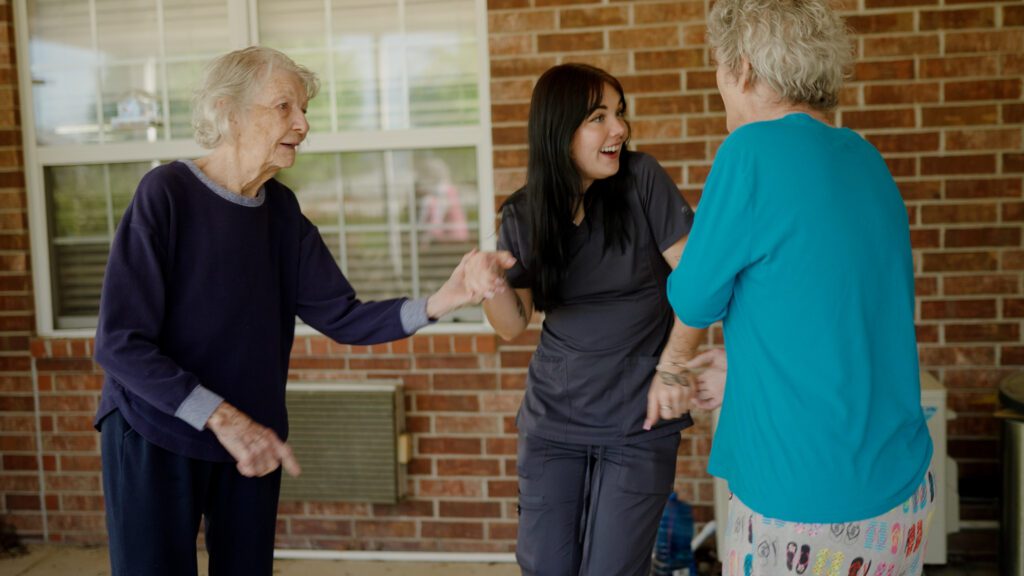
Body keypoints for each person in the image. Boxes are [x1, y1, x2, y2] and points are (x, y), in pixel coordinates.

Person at [92, 46, 496, 576]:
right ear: (228, 111)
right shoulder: (166, 194)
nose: (303, 124)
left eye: (304, 110)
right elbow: (118, 342)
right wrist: (221, 417)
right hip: (154, 426)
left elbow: (343, 316)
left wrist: (446, 298)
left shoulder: (282, 212)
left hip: (250, 437)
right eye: (284, 107)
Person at [667, 1, 934, 575]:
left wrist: (671, 366)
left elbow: (692, 297)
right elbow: (831, 314)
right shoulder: (865, 160)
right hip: (900, 489)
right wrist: (744, 361)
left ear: (741, 67)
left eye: (717, 67)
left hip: (804, 504)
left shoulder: (750, 153)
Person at [463, 63, 707, 576]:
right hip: (553, 421)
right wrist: (489, 282)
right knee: (544, 567)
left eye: (619, 114)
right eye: (599, 117)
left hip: (638, 422)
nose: (618, 128)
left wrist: (674, 367)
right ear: (560, 129)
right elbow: (512, 324)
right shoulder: (526, 213)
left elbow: (698, 282)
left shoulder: (642, 180)